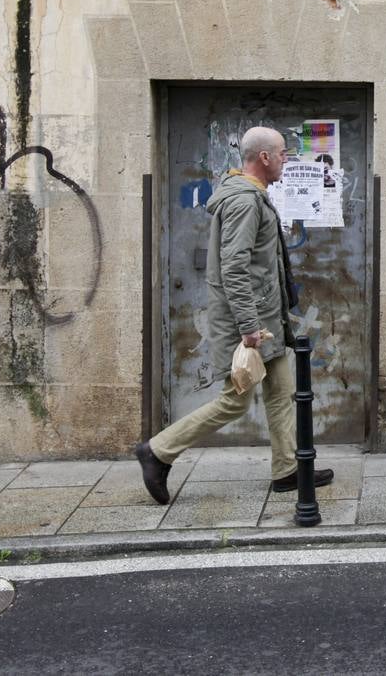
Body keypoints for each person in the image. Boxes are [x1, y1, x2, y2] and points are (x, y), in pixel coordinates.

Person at [135, 126, 333, 503]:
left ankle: (287, 469)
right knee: (235, 400)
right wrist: (249, 326)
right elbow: (234, 267)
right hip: (251, 324)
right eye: (282, 154)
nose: (285, 160)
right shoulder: (244, 202)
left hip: (266, 322)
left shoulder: (253, 196)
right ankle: (158, 451)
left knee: (280, 392)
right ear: (264, 158)